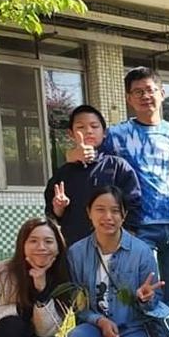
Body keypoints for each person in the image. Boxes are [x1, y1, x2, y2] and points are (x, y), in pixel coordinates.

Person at [96, 67, 169, 337]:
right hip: (140, 227)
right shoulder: (116, 135)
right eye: (138, 91)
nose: (145, 96)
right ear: (129, 98)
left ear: (162, 93)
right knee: (145, 294)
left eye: (150, 89)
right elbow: (89, 154)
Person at [65, 186, 169, 337]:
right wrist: (100, 321)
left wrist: (146, 298)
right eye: (100, 210)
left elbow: (155, 305)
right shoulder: (76, 253)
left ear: (124, 215)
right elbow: (78, 303)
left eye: (115, 210)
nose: (108, 217)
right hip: (96, 327)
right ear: (89, 213)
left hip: (134, 328)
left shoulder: (141, 252)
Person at [45, 105, 142, 247]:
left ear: (104, 133)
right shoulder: (63, 173)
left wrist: (126, 239)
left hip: (113, 247)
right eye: (81, 127)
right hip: (75, 248)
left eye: (94, 126)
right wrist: (58, 208)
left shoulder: (117, 167)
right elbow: (52, 215)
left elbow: (133, 205)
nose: (88, 131)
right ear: (71, 133)